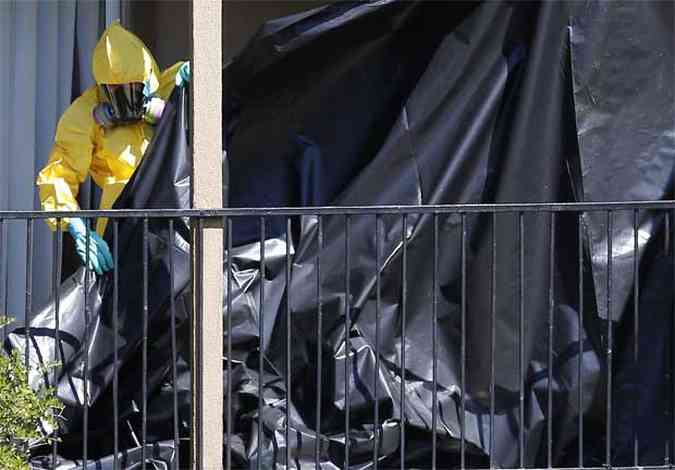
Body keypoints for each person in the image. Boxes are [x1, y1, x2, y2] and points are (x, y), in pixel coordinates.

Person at [36, 21, 189, 274]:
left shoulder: (170, 86)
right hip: (120, 222)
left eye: (135, 89)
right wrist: (77, 226)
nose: (127, 99)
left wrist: (193, 86)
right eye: (118, 92)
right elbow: (58, 174)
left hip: (173, 212)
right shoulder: (84, 114)